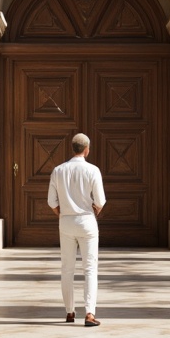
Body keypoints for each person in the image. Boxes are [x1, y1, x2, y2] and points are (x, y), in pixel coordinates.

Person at [48, 132, 106, 327]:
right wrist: (95, 208)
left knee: (67, 268)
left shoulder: (58, 170)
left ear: (72, 148)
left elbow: (51, 201)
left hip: (66, 222)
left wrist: (62, 214)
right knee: (90, 268)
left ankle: (69, 311)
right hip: (87, 221)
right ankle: (89, 313)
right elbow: (100, 200)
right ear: (87, 149)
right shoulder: (93, 170)